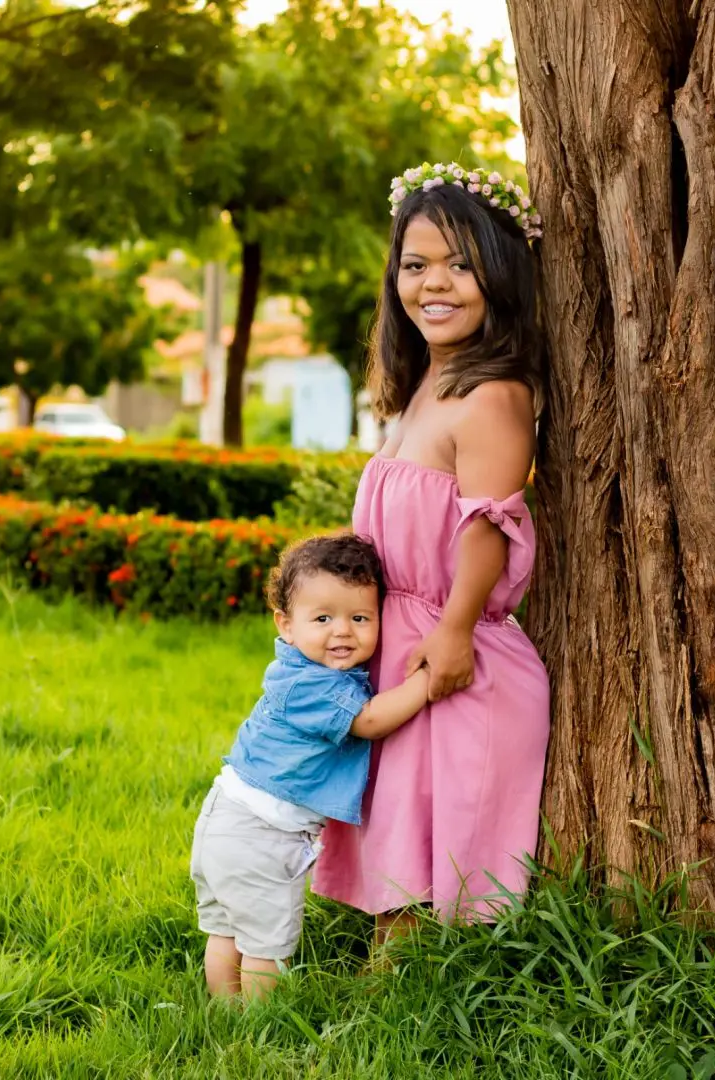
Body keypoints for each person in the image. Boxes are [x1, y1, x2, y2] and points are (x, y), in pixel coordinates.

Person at [312, 163, 551, 939]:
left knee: (432, 864)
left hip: (454, 653)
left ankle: (414, 999)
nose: (433, 284)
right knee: (395, 850)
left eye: (459, 262)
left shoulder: (493, 395)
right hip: (404, 642)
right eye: (415, 265)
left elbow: (488, 524)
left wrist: (452, 631)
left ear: (499, 272)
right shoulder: (427, 382)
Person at [190, 534, 429, 1001]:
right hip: (261, 836)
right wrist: (426, 679)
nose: (342, 631)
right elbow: (372, 720)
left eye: (359, 618)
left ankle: (225, 1015)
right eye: (322, 619)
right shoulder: (313, 686)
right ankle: (260, 1023)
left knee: (227, 932)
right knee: (266, 943)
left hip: (226, 823)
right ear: (286, 625)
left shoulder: (298, 670)